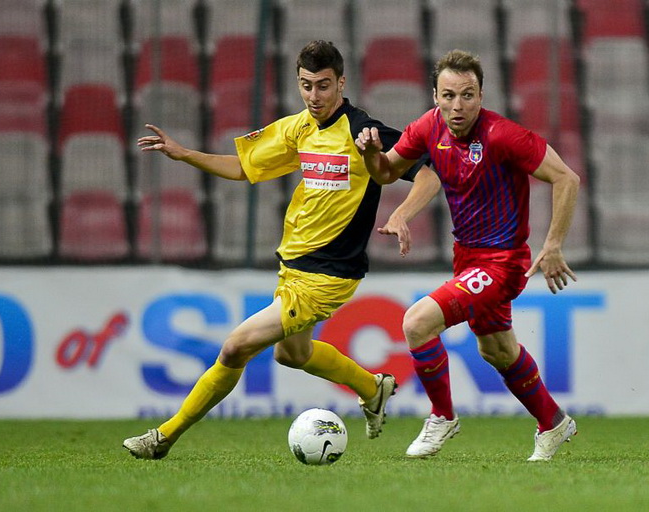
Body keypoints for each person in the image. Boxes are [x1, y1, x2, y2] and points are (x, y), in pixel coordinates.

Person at [123, 40, 436, 459]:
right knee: (293, 354)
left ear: (341, 83)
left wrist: (401, 214)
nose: (314, 96)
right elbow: (244, 166)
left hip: (328, 275)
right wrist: (185, 155)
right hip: (294, 268)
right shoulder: (298, 128)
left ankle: (163, 437)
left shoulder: (362, 132)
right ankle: (372, 387)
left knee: (235, 347)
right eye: (306, 85)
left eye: (323, 85)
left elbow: (428, 174)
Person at [355, 49, 581, 461]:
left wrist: (553, 245)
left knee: (416, 323)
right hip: (467, 258)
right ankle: (553, 422)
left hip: (503, 261)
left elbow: (567, 178)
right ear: (435, 96)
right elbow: (386, 173)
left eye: (467, 95)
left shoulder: (504, 135)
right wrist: (371, 153)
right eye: (448, 96)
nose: (457, 106)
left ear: (481, 96)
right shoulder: (428, 127)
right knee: (497, 350)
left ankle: (442, 416)